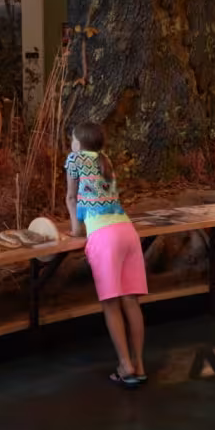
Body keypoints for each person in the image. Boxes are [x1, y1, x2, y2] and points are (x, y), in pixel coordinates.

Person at [65, 121, 149, 388]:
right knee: (131, 301)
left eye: (72, 140)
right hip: (127, 231)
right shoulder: (105, 159)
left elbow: (71, 198)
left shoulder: (75, 159)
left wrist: (77, 230)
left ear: (78, 144)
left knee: (111, 303)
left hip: (104, 236)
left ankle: (125, 366)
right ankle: (139, 364)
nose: (70, 144)